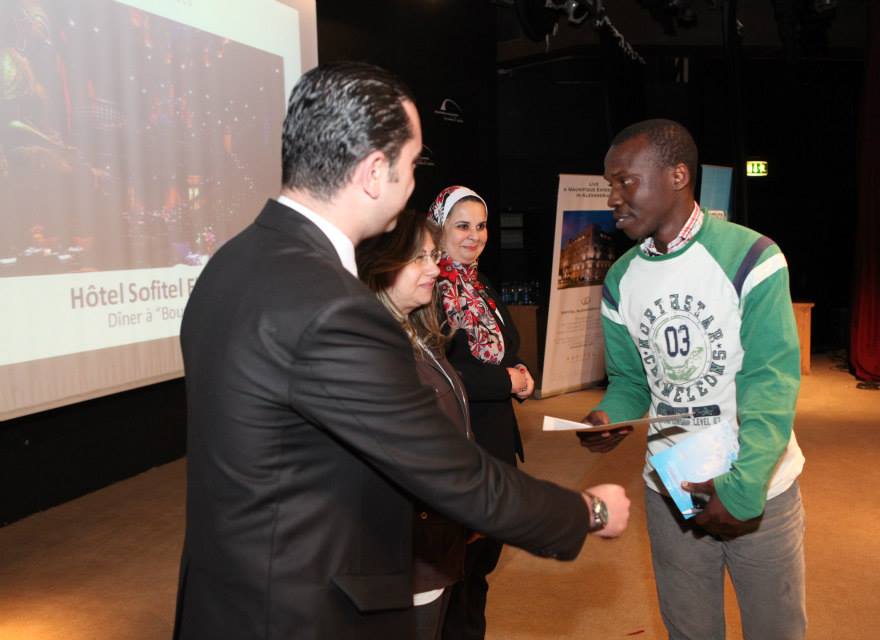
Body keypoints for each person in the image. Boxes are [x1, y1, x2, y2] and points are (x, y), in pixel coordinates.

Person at [172, 61, 630, 640]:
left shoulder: (232, 261)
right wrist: (586, 511)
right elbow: (448, 471)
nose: (414, 183)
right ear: (373, 173)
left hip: (227, 594)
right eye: (411, 165)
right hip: (301, 609)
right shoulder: (332, 306)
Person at [579, 119, 806, 640]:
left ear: (677, 175)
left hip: (759, 485)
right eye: (610, 184)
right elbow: (632, 381)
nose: (613, 198)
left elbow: (771, 381)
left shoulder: (753, 256)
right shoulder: (620, 279)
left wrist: (744, 487)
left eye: (625, 181)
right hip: (672, 488)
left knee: (776, 630)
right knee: (689, 631)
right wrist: (609, 414)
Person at [427, 185, 535, 640]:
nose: (475, 235)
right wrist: (505, 382)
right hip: (459, 444)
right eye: (462, 226)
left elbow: (505, 348)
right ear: (438, 229)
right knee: (453, 573)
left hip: (496, 442)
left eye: (481, 225)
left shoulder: (479, 284)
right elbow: (435, 373)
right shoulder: (427, 288)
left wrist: (520, 369)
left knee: (480, 568)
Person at [356, 210, 468, 640]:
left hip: (435, 543)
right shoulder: (375, 351)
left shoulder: (416, 334)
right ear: (380, 265)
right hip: (404, 555)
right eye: (419, 258)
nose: (435, 269)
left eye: (433, 256)